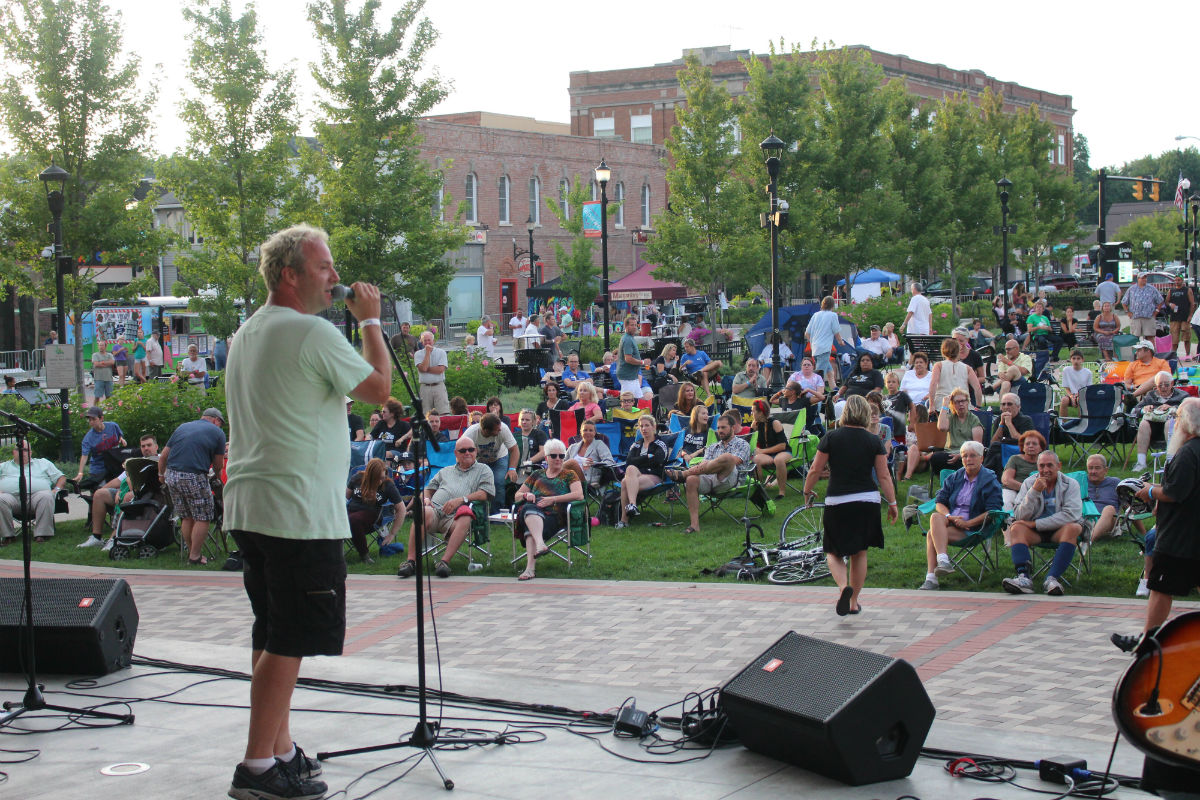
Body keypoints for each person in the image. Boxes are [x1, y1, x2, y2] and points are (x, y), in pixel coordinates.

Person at [223, 223, 391, 800]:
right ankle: (256, 769)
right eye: (324, 267)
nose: (336, 277)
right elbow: (378, 389)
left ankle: (279, 749)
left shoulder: (249, 331)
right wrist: (370, 319)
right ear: (290, 274)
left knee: (273, 632)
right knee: (290, 637)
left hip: (252, 504)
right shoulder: (309, 331)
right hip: (295, 510)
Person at [1112, 398, 1200, 655]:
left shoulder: (1188, 452)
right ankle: (1145, 639)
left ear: (1185, 422)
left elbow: (1176, 492)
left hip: (1179, 535)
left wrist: (1150, 491)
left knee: (1161, 589)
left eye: (1176, 418)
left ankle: (1146, 642)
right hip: (1192, 532)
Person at [803, 395, 897, 616]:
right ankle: (853, 601)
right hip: (867, 500)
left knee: (833, 550)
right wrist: (892, 503)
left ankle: (843, 586)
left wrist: (807, 491)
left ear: (843, 413)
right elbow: (884, 476)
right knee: (860, 552)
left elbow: (816, 469)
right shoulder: (873, 440)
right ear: (865, 413)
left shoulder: (831, 437)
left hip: (838, 500)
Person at [396, 435, 495, 579]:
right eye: (463, 450)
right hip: (435, 512)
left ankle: (444, 562)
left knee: (466, 516)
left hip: (456, 517)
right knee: (423, 512)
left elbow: (485, 493)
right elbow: (428, 489)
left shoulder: (483, 470)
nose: (467, 453)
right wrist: (427, 499)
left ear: (476, 451)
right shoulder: (445, 471)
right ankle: (411, 562)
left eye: (471, 449)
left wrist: (461, 500)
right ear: (456, 453)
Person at [918, 441, 1002, 590]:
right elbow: (939, 502)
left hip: (974, 528)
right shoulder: (955, 477)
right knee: (936, 517)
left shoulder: (989, 479)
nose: (968, 459)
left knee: (932, 534)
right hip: (952, 522)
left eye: (972, 456)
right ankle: (943, 560)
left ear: (981, 458)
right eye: (964, 456)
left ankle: (931, 578)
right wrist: (949, 516)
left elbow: (993, 511)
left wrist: (968, 524)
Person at [1001, 451, 1084, 596]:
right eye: (1042, 466)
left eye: (1050, 465)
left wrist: (1035, 524)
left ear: (1059, 466)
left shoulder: (1071, 484)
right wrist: (1034, 492)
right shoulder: (1029, 483)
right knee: (1016, 527)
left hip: (1059, 531)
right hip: (1034, 533)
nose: (1045, 470)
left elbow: (1071, 515)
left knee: (1074, 527)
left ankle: (1052, 579)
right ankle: (1024, 578)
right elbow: (1020, 515)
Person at [160, 408, 227, 566]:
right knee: (203, 516)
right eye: (220, 424)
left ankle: (192, 554)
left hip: (172, 476)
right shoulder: (218, 433)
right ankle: (195, 556)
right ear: (216, 420)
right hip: (194, 476)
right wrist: (217, 477)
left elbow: (164, 456)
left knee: (186, 516)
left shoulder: (182, 427)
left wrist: (161, 475)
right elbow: (218, 465)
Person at [668, 411, 751, 535]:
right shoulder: (712, 447)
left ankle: (684, 474)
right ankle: (694, 525)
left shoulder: (743, 444)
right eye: (718, 428)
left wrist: (713, 464)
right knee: (691, 480)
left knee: (727, 457)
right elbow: (704, 466)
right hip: (709, 477)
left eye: (723, 427)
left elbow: (735, 461)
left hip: (730, 479)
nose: (720, 431)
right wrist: (709, 466)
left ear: (733, 428)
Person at [512, 440, 583, 581]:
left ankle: (530, 568)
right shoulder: (537, 474)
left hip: (556, 516)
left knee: (528, 523)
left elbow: (578, 495)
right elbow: (517, 496)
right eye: (554, 455)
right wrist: (527, 495)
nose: (558, 459)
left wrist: (553, 499)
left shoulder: (569, 474)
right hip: (533, 512)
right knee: (527, 508)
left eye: (561, 456)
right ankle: (539, 546)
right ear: (546, 458)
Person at [79, 433, 159, 550]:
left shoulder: (161, 460)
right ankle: (96, 537)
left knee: (127, 497)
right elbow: (118, 480)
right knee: (100, 494)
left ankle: (114, 539)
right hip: (128, 491)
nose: (146, 448)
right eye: (143, 446)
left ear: (156, 447)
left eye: (149, 445)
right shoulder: (135, 462)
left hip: (149, 495)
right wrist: (109, 490)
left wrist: (127, 493)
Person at [905, 387, 982, 480]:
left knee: (967, 461)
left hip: (967, 455)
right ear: (953, 404)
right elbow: (941, 427)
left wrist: (960, 456)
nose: (961, 404)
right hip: (949, 454)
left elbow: (977, 446)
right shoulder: (951, 418)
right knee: (935, 458)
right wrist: (945, 404)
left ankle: (957, 478)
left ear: (967, 402)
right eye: (957, 402)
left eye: (963, 401)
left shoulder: (974, 420)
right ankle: (946, 480)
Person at [0, 441, 67, 545]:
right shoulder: (3, 466)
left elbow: (61, 478)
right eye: (19, 449)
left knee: (46, 495)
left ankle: (41, 534)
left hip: (36, 497)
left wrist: (55, 490)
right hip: (11, 498)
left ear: (30, 452)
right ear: (14, 452)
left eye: (25, 450)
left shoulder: (43, 463)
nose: (22, 452)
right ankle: (8, 536)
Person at [346, 457, 403, 564]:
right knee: (344, 518)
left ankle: (364, 555)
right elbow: (345, 498)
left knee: (353, 520)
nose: (380, 481)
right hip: (351, 512)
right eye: (377, 478)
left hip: (372, 515)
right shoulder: (357, 478)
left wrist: (392, 534)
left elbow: (401, 509)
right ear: (369, 475)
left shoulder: (387, 485)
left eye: (382, 477)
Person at [615, 415, 668, 528]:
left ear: (654, 427)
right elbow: (629, 461)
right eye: (641, 426)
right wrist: (647, 457)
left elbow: (658, 460)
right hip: (636, 475)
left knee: (625, 482)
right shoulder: (637, 444)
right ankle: (632, 506)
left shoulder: (660, 443)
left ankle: (624, 520)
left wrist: (638, 461)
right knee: (630, 469)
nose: (644, 429)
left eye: (647, 425)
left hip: (654, 476)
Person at [1131, 371, 1189, 471]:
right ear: (1155, 386)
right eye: (1159, 385)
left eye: (1166, 384)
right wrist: (1144, 409)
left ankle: (1171, 461)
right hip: (1152, 430)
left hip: (1175, 429)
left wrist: (1173, 408)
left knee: (1169, 422)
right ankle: (1141, 462)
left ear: (1172, 384)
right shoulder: (1150, 395)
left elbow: (1190, 410)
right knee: (1144, 423)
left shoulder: (1182, 395)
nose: (1163, 387)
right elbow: (1133, 411)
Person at [1083, 454, 1132, 545]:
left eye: (1097, 468)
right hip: (1085, 520)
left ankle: (1090, 541)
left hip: (1109, 522)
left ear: (1106, 470)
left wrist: (1143, 533)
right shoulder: (1081, 482)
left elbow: (1129, 508)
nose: (1093, 471)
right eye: (1090, 468)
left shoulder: (1115, 483)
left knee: (1109, 509)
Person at [74, 406, 126, 491]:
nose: (91, 422)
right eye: (89, 420)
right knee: (100, 491)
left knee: (119, 488)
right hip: (99, 468)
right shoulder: (88, 438)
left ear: (101, 418)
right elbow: (84, 456)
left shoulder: (113, 426)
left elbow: (120, 435)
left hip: (115, 463)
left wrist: (122, 439)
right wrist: (80, 473)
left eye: (94, 419)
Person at [750, 398, 791, 500]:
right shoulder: (757, 424)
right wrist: (752, 429)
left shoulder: (775, 423)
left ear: (761, 412)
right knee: (755, 460)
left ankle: (782, 492)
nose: (751, 413)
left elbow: (782, 445)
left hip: (783, 451)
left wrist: (762, 451)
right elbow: (751, 442)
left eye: (753, 411)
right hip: (769, 454)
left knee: (779, 459)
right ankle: (759, 488)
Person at [984, 392, 1033, 474]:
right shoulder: (999, 420)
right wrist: (1001, 425)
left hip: (1020, 450)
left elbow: (1025, 441)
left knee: (996, 448)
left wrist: (1009, 424)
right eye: (1003, 404)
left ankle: (984, 473)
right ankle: (990, 477)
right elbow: (993, 442)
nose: (1006, 407)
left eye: (1009, 404)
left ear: (1018, 407)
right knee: (997, 455)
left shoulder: (1026, 420)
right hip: (1002, 450)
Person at [928, 338, 981, 410]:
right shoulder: (967, 368)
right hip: (963, 406)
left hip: (943, 405)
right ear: (958, 351)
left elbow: (933, 384)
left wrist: (931, 405)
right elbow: (977, 387)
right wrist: (978, 406)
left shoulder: (938, 366)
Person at [1000, 429, 1046, 509]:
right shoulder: (1015, 459)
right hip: (1012, 489)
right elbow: (1006, 480)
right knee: (1006, 503)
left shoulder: (1045, 462)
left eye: (1034, 444)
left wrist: (1033, 491)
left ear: (1041, 448)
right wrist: (1026, 489)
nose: (1031, 446)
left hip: (1037, 492)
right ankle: (1008, 521)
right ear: (1023, 447)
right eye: (1027, 444)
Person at [805, 296, 845, 388]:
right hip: (824, 348)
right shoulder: (832, 315)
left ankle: (834, 389)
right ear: (832, 305)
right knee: (820, 373)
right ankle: (814, 392)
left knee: (829, 371)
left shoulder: (815, 315)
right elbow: (836, 331)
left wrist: (812, 342)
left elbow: (807, 333)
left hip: (815, 348)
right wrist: (840, 342)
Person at [565, 419, 615, 488]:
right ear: (581, 432)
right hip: (570, 478)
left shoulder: (599, 444)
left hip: (588, 479)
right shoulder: (573, 447)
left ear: (595, 433)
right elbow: (563, 462)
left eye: (591, 430)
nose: (588, 432)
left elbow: (610, 462)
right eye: (585, 430)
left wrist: (594, 463)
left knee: (572, 462)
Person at [832, 352, 884, 419]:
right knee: (838, 406)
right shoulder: (853, 373)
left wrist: (869, 397)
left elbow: (878, 389)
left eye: (867, 360)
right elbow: (845, 386)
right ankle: (842, 424)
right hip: (849, 400)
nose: (865, 362)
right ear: (859, 363)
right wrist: (838, 394)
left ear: (872, 362)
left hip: (865, 401)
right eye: (862, 360)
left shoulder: (876, 373)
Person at [1121, 272, 1165, 340]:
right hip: (1136, 317)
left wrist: (1157, 310)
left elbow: (1160, 301)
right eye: (1142, 278)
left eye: (1145, 278)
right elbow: (1124, 302)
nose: (1144, 279)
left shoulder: (1152, 289)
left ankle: (1150, 350)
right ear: (1138, 279)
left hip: (1149, 317)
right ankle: (1136, 351)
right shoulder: (1131, 289)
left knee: (1150, 337)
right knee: (1134, 338)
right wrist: (1127, 312)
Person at [415, 330, 450, 414]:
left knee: (443, 412)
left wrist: (426, 368)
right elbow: (422, 369)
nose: (427, 342)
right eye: (425, 340)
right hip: (425, 387)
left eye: (429, 340)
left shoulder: (441, 352)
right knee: (426, 414)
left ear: (433, 341)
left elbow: (440, 370)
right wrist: (427, 353)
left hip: (439, 386)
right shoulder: (418, 354)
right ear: (422, 342)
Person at [616, 315, 647, 399]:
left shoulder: (630, 338)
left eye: (635, 325)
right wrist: (642, 362)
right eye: (632, 325)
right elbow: (628, 359)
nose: (634, 327)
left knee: (639, 400)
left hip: (633, 376)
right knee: (627, 401)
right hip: (627, 377)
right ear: (626, 326)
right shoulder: (627, 339)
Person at [1165, 274, 1195, 359]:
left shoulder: (1187, 290)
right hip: (1174, 317)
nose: (1177, 282)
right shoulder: (1171, 291)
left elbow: (1192, 304)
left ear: (1182, 281)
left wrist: (1190, 315)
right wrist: (1171, 304)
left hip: (1185, 317)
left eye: (1179, 280)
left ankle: (1187, 355)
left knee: (1186, 337)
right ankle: (1174, 355)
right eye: (1176, 280)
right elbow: (1166, 301)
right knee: (1174, 338)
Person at [1057, 350, 1093, 418]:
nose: (1076, 361)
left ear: (1082, 360)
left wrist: (1078, 396)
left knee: (1080, 400)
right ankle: (1063, 423)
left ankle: (1081, 422)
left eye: (1078, 358)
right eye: (1073, 358)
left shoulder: (1088, 372)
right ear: (1070, 360)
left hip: (1083, 395)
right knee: (1064, 400)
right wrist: (1071, 397)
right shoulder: (1066, 370)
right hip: (1070, 395)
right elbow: (1066, 388)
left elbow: (1088, 389)